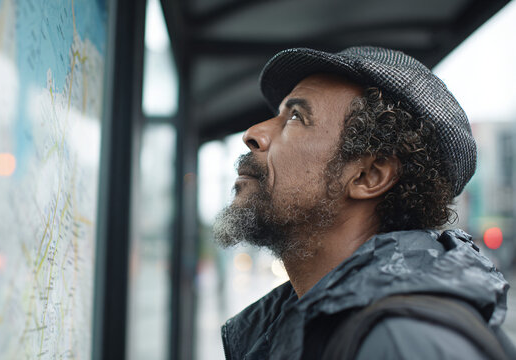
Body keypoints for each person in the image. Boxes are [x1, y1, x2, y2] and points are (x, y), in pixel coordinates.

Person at [213, 46, 512, 359]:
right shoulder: (318, 324)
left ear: (369, 176)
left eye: (296, 117)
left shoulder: (402, 342)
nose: (253, 133)